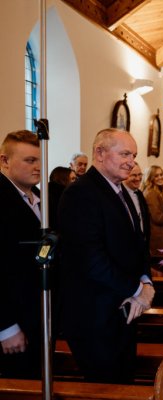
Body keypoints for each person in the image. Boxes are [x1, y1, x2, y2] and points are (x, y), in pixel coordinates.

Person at [58, 128, 154, 383]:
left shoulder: (121, 191)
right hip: (95, 315)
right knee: (106, 385)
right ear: (100, 153)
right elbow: (90, 259)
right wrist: (137, 289)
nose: (131, 161)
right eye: (124, 153)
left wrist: (146, 280)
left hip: (123, 311)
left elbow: (138, 244)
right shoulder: (81, 193)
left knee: (123, 382)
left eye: (133, 155)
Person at [0, 130, 42, 379]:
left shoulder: (37, 197)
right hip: (11, 323)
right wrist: (5, 327)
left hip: (34, 316)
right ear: (5, 161)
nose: (37, 167)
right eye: (29, 160)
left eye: (40, 160)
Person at [143, 165, 163, 273]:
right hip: (159, 239)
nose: (160, 177)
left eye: (161, 174)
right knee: (162, 272)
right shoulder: (151, 193)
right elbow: (158, 217)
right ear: (150, 178)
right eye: (156, 175)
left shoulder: (158, 191)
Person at [124, 162, 150, 247]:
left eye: (140, 174)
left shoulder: (139, 193)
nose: (138, 178)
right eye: (134, 175)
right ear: (125, 175)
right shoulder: (120, 196)